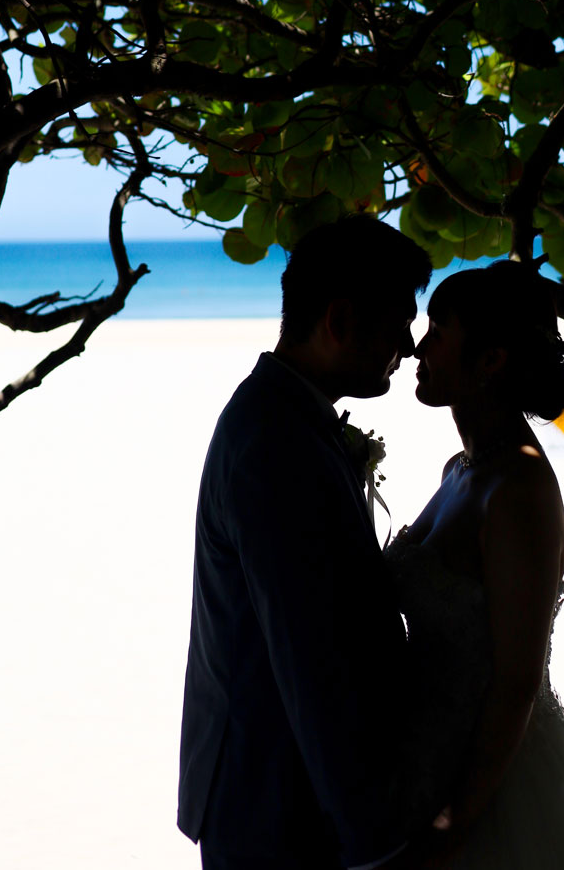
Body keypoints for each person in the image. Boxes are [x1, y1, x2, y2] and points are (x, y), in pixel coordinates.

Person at [387, 259, 564, 870]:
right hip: (426, 756)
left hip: (497, 785)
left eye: (438, 331)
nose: (417, 346)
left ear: (490, 361)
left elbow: (516, 682)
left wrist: (453, 823)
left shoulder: (519, 490)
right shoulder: (462, 470)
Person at [178, 214, 432, 870]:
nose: (409, 347)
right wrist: (374, 846)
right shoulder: (276, 441)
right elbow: (309, 655)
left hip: (274, 791)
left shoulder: (280, 415)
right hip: (276, 804)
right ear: (340, 320)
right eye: (400, 323)